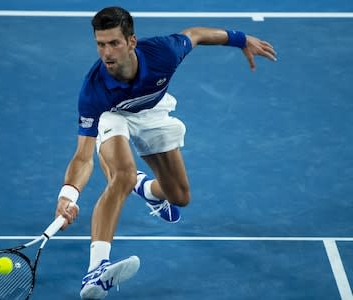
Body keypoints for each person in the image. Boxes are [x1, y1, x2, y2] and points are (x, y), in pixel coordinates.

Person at [54, 6, 277, 299]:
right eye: (101, 44)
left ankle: (145, 188)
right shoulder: (94, 90)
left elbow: (195, 35)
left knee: (180, 196)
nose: (107, 53)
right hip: (114, 114)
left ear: (131, 41)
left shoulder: (164, 53)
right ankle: (96, 269)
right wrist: (68, 195)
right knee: (120, 176)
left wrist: (240, 39)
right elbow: (83, 156)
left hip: (153, 110)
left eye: (114, 43)